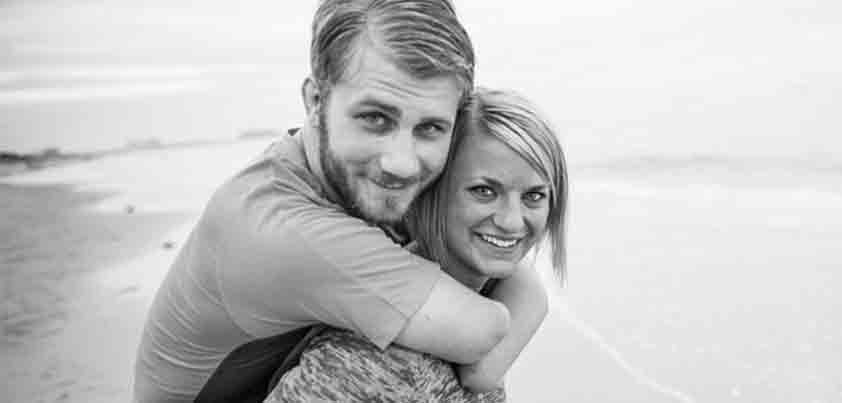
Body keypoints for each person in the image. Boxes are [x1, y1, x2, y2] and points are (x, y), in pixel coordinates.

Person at [133, 1, 515, 402]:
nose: (401, 164)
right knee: (397, 362)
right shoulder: (285, 229)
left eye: (431, 128)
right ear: (316, 101)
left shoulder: (355, 177)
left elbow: (516, 276)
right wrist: (483, 374)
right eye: (375, 119)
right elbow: (478, 330)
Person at [265, 87, 569, 402]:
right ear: (429, 187)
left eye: (534, 196)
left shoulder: (485, 306)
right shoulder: (375, 363)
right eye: (484, 191)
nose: (511, 221)